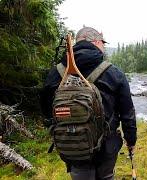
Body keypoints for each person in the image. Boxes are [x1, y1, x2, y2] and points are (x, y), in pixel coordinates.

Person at [40, 27, 137, 180]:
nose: (103, 47)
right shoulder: (114, 73)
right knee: (106, 177)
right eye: (103, 43)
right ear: (97, 42)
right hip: (107, 147)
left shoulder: (56, 72)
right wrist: (131, 140)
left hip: (72, 145)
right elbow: (127, 112)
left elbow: (46, 110)